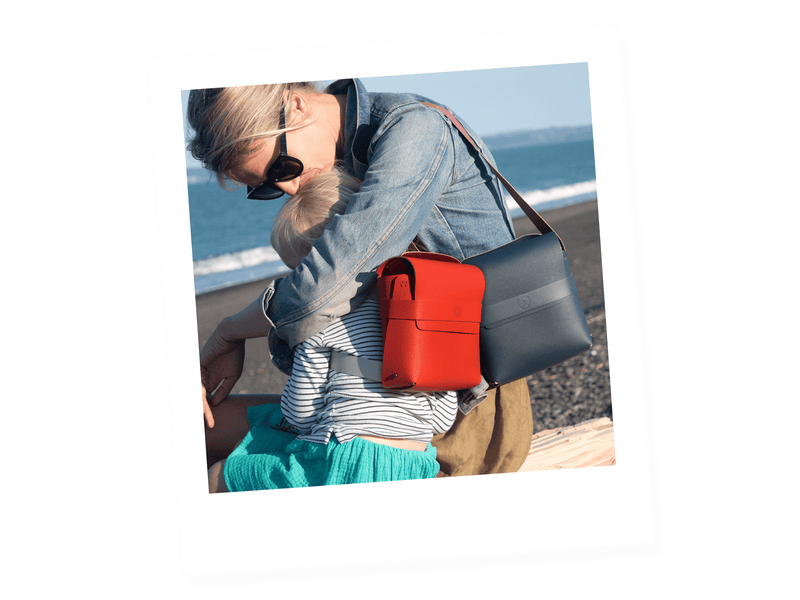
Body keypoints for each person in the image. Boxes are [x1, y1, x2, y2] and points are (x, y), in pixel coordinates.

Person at [190, 79, 532, 478]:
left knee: (221, 474)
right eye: (265, 188)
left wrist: (230, 332)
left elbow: (322, 289)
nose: (287, 188)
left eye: (281, 168)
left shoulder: (415, 132)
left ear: (296, 104)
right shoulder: (354, 159)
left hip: (461, 414)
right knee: (193, 427)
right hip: (390, 405)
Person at [207, 170, 457, 492]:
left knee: (220, 476)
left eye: (298, 272)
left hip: (343, 463)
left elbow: (301, 411)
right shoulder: (424, 312)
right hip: (416, 462)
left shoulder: (320, 321)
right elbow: (444, 414)